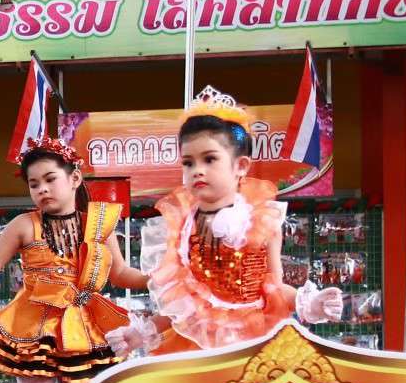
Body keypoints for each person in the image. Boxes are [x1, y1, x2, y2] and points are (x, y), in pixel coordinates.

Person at [110, 88, 344, 357]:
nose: (197, 170)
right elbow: (184, 312)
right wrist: (141, 333)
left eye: (210, 159)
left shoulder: (264, 222)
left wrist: (311, 303)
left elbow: (276, 290)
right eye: (188, 162)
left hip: (254, 342)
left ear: (240, 165)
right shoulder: (181, 229)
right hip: (196, 349)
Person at [0, 140, 148, 383]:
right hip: (34, 329)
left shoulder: (100, 226)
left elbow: (120, 274)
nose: (42, 188)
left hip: (83, 326)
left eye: (50, 179)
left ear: (75, 178)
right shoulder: (23, 225)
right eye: (34, 184)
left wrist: (161, 278)